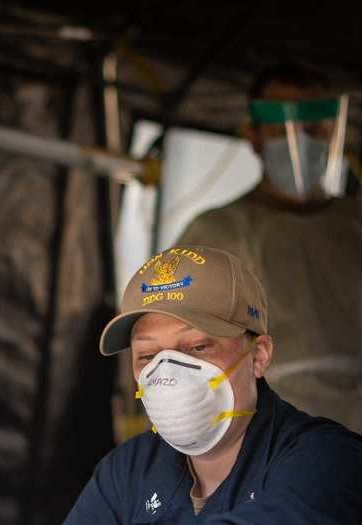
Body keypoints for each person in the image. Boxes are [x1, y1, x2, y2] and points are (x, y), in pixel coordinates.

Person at [64, 245, 362, 524]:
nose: (167, 374)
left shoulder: (327, 461)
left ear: (258, 355)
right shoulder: (127, 471)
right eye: (148, 356)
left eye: (197, 347)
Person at [177, 62, 362, 434]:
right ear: (255, 136)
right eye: (282, 127)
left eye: (312, 125)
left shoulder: (354, 224)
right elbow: (179, 349)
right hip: (269, 431)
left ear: (333, 131)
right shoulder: (216, 235)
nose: (299, 139)